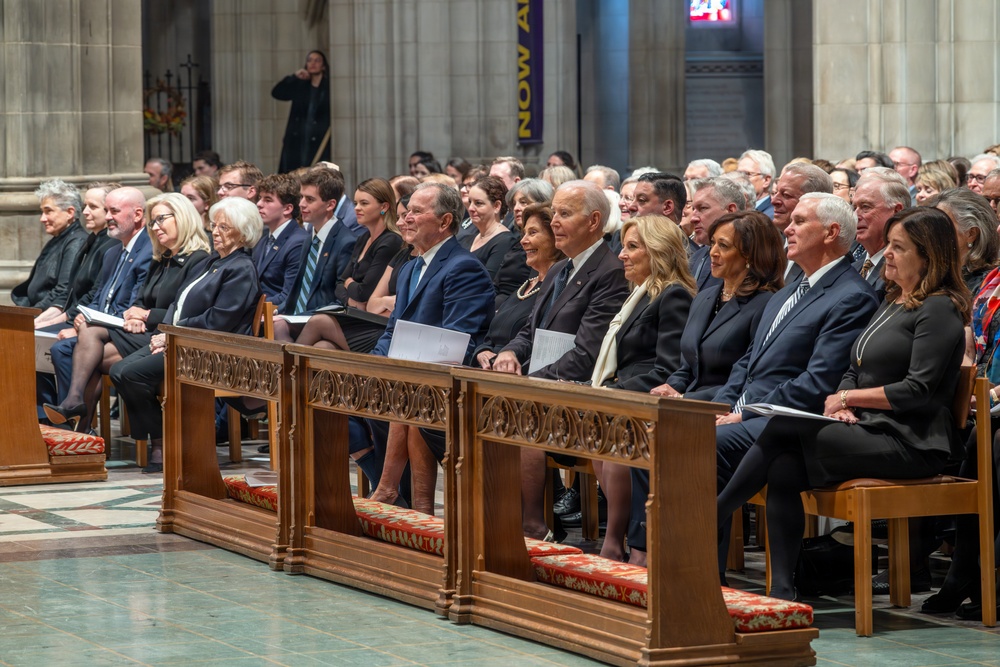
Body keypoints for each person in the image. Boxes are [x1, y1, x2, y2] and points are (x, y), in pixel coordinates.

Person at [717, 206, 971, 600]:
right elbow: (855, 365)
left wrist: (847, 396)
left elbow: (916, 390)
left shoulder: (939, 310)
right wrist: (842, 401)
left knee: (782, 429)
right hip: (868, 428)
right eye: (888, 244)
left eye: (899, 247)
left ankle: (713, 514)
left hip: (911, 441)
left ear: (927, 256)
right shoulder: (892, 301)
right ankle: (783, 589)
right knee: (784, 466)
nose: (886, 253)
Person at [710, 193, 879, 579]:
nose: (787, 228)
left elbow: (816, 382)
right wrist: (720, 408)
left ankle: (704, 577)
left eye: (800, 222)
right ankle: (675, 559)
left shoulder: (851, 296)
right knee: (679, 433)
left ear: (832, 233)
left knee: (706, 445)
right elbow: (746, 363)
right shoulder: (788, 291)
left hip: (791, 418)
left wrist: (744, 413)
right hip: (751, 412)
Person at [493, 180, 630, 539]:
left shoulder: (609, 272)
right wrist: (509, 352)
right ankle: (494, 518)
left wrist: (532, 379)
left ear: (594, 221)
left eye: (564, 214)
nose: (554, 221)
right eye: (554, 212)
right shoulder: (559, 268)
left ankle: (533, 525)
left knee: (515, 412)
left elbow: (586, 354)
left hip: (576, 390)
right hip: (545, 382)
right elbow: (530, 330)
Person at [366, 183, 496, 514]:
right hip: (413, 375)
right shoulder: (411, 267)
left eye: (416, 212)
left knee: (412, 400)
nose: (405, 219)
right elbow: (393, 329)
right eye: (405, 211)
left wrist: (402, 368)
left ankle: (396, 493)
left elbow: (458, 335)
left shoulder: (462, 267)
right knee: (349, 398)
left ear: (444, 221)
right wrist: (372, 367)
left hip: (450, 379)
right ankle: (404, 499)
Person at [109, 197, 262, 473]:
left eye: (224, 227)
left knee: (133, 374)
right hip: (182, 340)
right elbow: (178, 301)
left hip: (210, 350)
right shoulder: (215, 261)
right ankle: (160, 438)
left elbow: (220, 319)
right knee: (120, 370)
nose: (215, 232)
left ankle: (162, 444)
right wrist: (165, 330)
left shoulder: (241, 268)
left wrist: (174, 334)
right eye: (214, 226)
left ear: (243, 231)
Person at [43, 193, 211, 441]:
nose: (155, 227)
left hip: (169, 337)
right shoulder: (162, 258)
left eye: (160, 220)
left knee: (92, 355)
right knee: (87, 338)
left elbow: (186, 312)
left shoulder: (198, 260)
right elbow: (141, 299)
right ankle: (79, 424)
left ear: (183, 218)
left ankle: (80, 422)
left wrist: (146, 315)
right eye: (153, 222)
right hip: (146, 331)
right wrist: (135, 314)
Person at [590, 216, 696, 560]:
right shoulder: (638, 295)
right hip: (624, 393)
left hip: (651, 401)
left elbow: (667, 369)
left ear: (659, 252)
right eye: (623, 246)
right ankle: (617, 539)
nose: (621, 255)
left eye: (632, 247)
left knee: (621, 436)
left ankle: (617, 542)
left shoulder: (674, 295)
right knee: (595, 433)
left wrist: (613, 391)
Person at [295, 177, 403, 352]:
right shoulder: (363, 238)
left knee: (319, 321)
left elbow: (364, 292)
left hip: (375, 324)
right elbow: (340, 283)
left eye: (364, 203)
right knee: (324, 346)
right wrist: (352, 299)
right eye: (356, 203)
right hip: (356, 314)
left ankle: (283, 372)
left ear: (384, 207)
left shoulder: (390, 241)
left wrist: (350, 285)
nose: (357, 208)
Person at [474, 204, 564, 369]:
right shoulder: (526, 285)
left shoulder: (559, 288)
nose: (523, 241)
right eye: (524, 233)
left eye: (533, 233)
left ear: (555, 237)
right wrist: (482, 350)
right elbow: (491, 334)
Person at [273, 167, 358, 340]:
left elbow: (338, 299)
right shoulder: (310, 236)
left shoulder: (346, 242)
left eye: (310, 199)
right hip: (297, 316)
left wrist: (294, 317)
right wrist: (276, 310)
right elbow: (298, 290)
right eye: (302, 197)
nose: (302, 204)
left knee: (278, 326)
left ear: (330, 204)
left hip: (321, 319)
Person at [33, 182, 121, 329]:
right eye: (85, 205)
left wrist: (48, 321)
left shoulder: (110, 245)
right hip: (71, 314)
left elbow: (93, 293)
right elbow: (69, 293)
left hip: (84, 318)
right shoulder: (91, 240)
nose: (85, 212)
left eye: (92, 207)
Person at [12, 179, 88, 313]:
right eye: (42, 212)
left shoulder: (76, 241)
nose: (42, 218)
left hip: (46, 315)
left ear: (70, 212)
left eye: (48, 211)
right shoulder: (60, 237)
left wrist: (32, 314)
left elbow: (63, 289)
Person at [461, 176, 529, 302]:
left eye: (478, 203)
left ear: (497, 206)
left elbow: (485, 284)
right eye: (470, 202)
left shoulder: (505, 241)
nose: (470, 208)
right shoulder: (466, 239)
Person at [253, 173, 309, 312]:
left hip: (275, 315)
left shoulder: (298, 242)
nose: (259, 204)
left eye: (268, 200)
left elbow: (288, 295)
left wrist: (249, 304)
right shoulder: (262, 237)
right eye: (260, 198)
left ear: (287, 208)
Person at [932, 188, 1000, 296]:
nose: (933, 233)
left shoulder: (987, 286)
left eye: (942, 226)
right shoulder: (933, 275)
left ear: (971, 234)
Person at [272, 50, 331, 173]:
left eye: (317, 60)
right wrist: (294, 77)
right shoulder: (301, 86)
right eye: (309, 60)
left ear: (323, 65)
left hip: (318, 137)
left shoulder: (328, 87)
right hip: (298, 136)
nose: (313, 63)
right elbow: (277, 92)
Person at [737, 149, 776, 219]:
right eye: (739, 173)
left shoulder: (771, 216)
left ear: (766, 180)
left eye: (747, 174)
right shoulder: (739, 209)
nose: (740, 179)